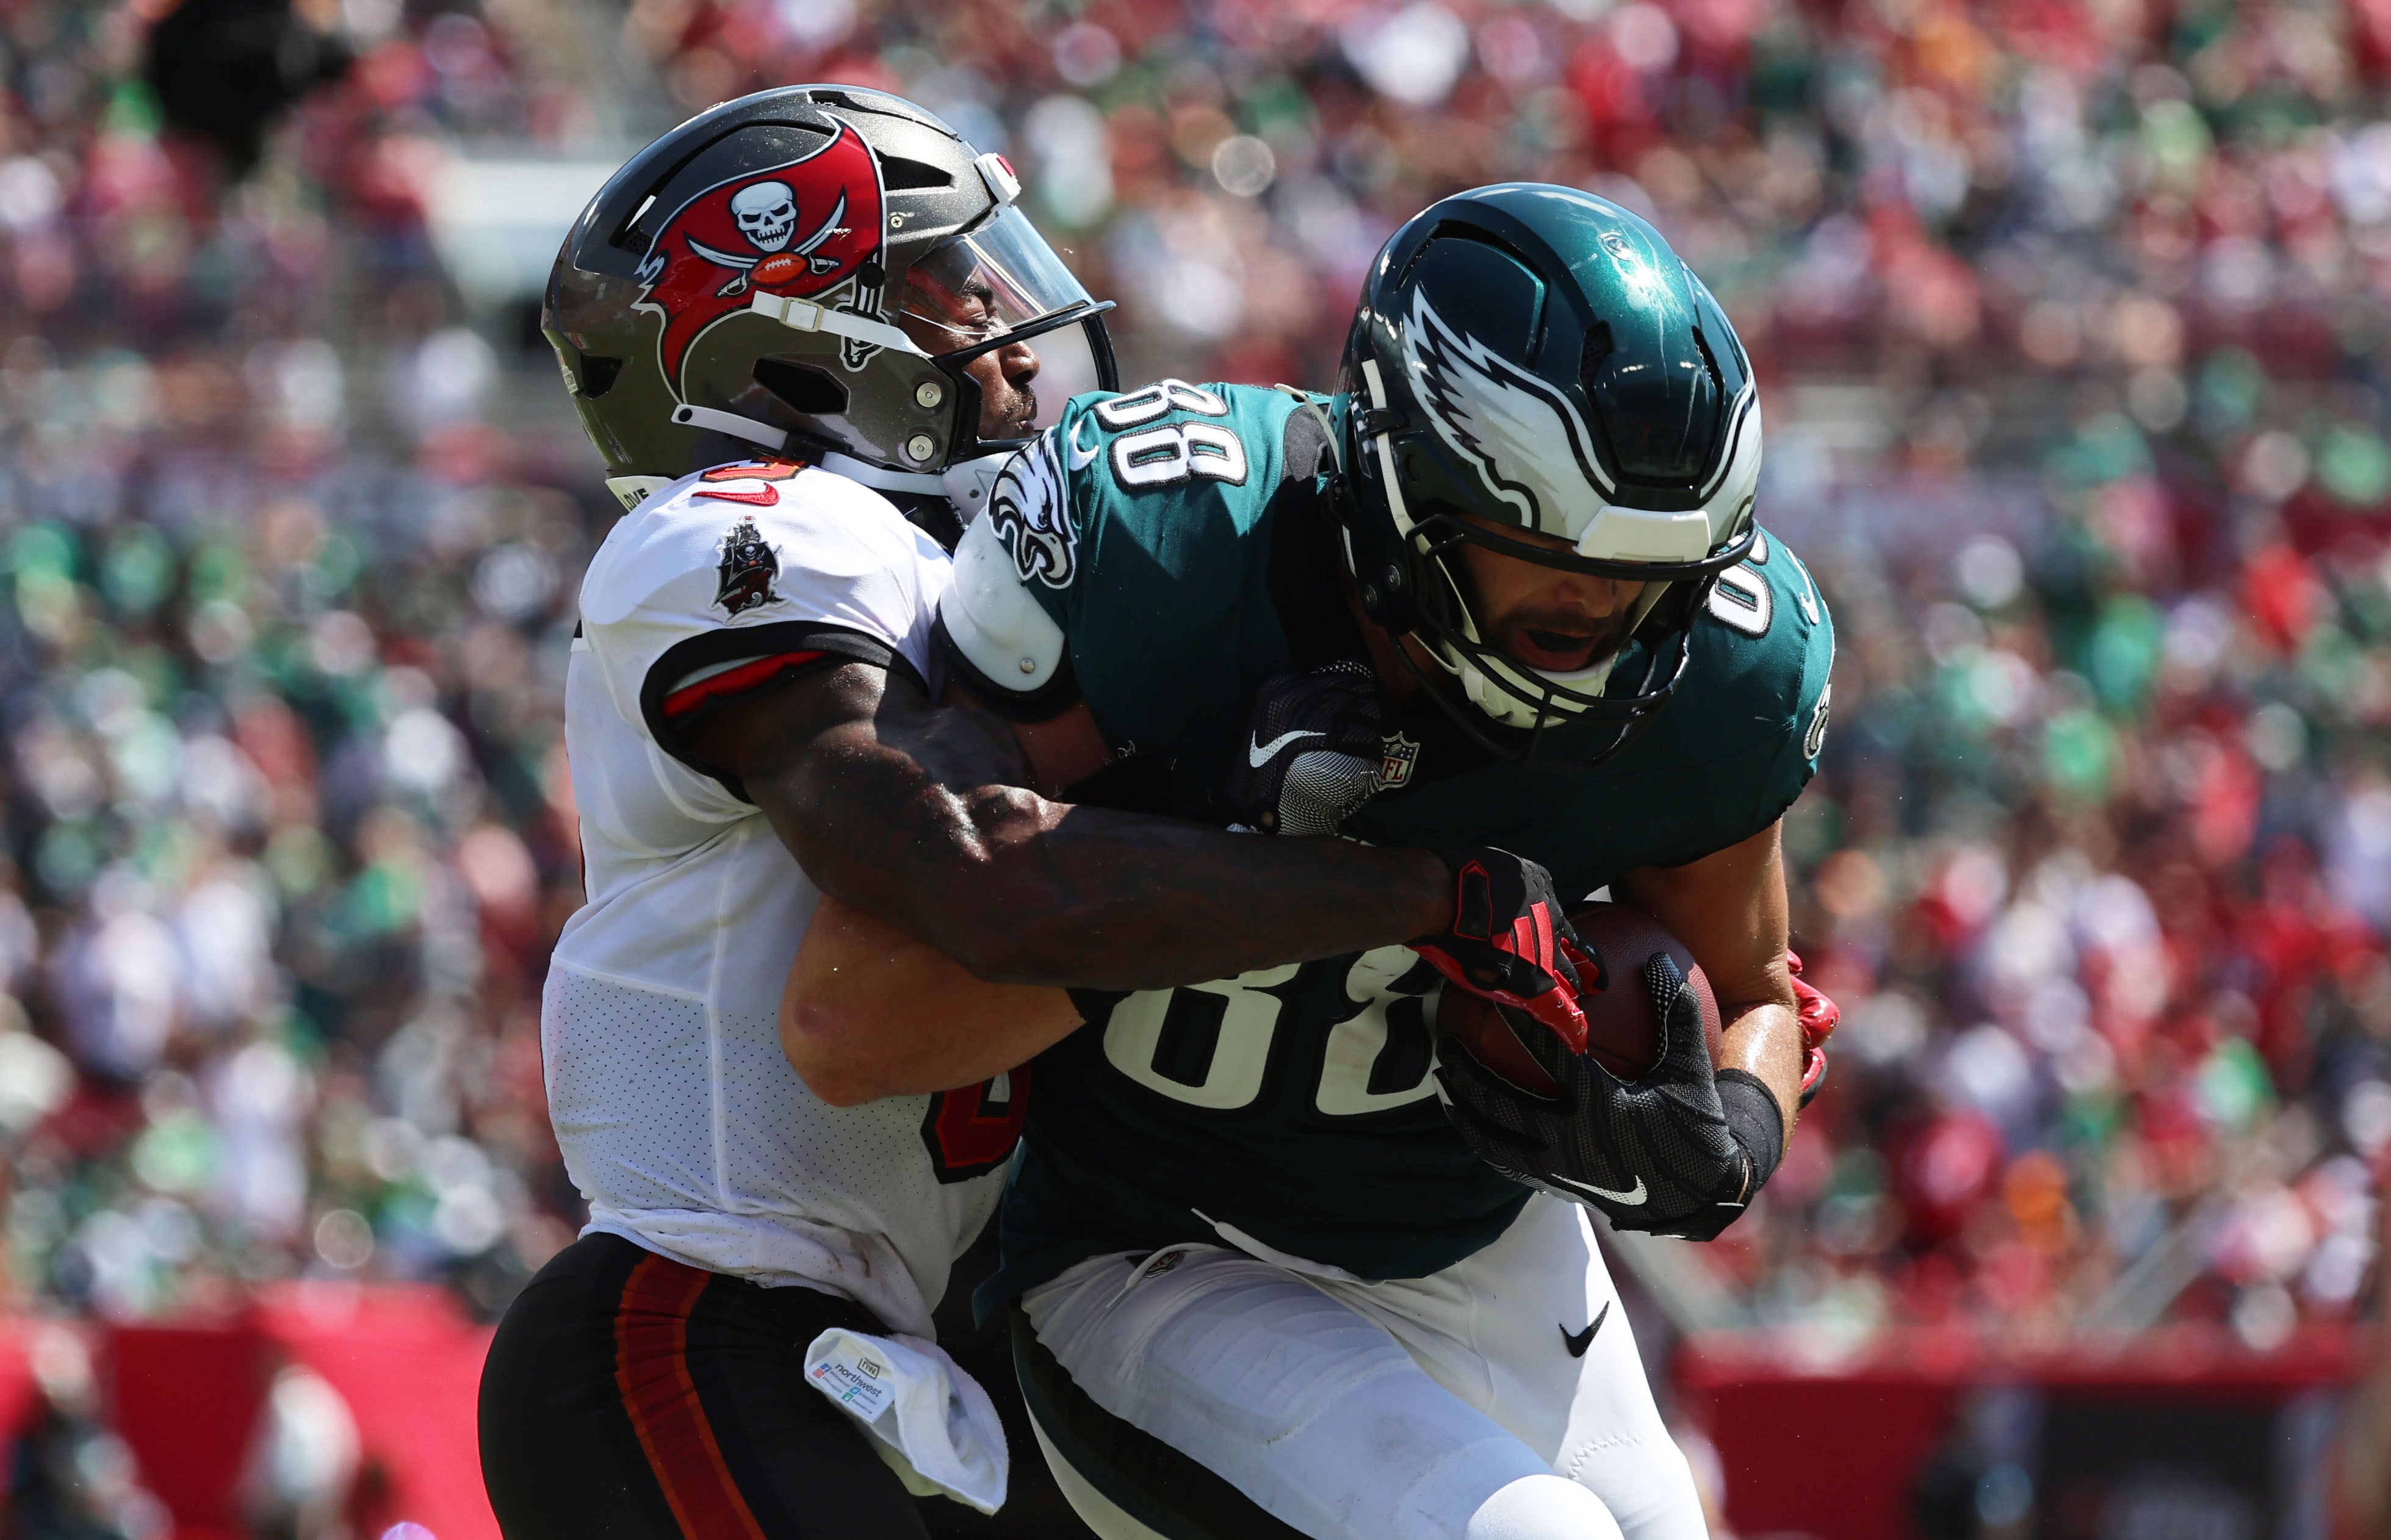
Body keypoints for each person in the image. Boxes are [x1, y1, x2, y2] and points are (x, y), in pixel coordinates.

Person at [477, 89, 1589, 1540]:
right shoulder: (750, 529)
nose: (1006, 314)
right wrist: (1389, 878)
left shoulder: (977, 576)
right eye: (943, 281)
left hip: (923, 1370)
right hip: (698, 1327)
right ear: (789, 354)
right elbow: (967, 868)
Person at [791, 183, 1839, 1539]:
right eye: (1555, 577)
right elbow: (850, 1013)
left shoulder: (1725, 673)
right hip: (1153, 1250)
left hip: (1483, 1247)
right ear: (1410, 492)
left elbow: (1754, 990)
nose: (1606, 630)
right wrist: (1240, 872)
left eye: (1648, 588)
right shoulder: (1162, 544)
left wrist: (1733, 1128)